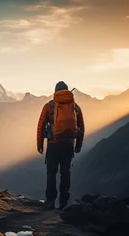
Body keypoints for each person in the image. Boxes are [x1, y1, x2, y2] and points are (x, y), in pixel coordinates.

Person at [36, 81, 85, 210]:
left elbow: (41, 126)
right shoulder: (75, 107)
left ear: (55, 91)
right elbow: (81, 127)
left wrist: (40, 144)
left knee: (51, 173)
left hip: (53, 144)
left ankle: (50, 201)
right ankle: (63, 203)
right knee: (65, 173)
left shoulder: (49, 106)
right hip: (68, 145)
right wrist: (78, 146)